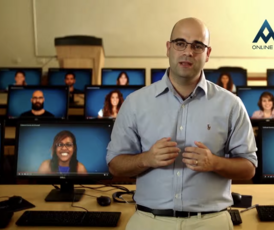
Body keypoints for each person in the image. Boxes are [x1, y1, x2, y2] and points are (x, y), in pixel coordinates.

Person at [106, 18, 257, 230]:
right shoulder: (135, 103)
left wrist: (215, 163)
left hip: (211, 221)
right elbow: (115, 164)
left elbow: (249, 168)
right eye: (180, 43)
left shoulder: (231, 104)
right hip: (149, 220)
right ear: (168, 48)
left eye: (197, 46)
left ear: (208, 53)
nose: (188, 52)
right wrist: (146, 159)